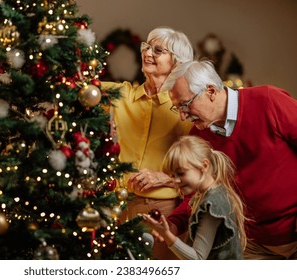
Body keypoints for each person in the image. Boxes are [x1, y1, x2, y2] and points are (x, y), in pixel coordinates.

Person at [163, 59, 297, 259]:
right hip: (251, 243)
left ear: (210, 91)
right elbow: (198, 192)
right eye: (177, 108)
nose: (182, 116)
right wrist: (175, 223)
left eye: (185, 105)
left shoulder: (268, 100)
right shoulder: (198, 137)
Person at [101, 27, 194, 259]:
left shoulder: (186, 108)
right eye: (146, 46)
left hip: (162, 210)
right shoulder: (121, 94)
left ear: (177, 62)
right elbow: (77, 87)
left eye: (158, 50)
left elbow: (205, 166)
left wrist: (168, 178)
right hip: (115, 206)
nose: (147, 53)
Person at [143, 135, 246, 259]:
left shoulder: (212, 205)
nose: (175, 180)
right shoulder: (211, 193)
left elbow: (197, 258)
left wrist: (166, 235)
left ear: (204, 166)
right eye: (172, 175)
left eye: (181, 173)